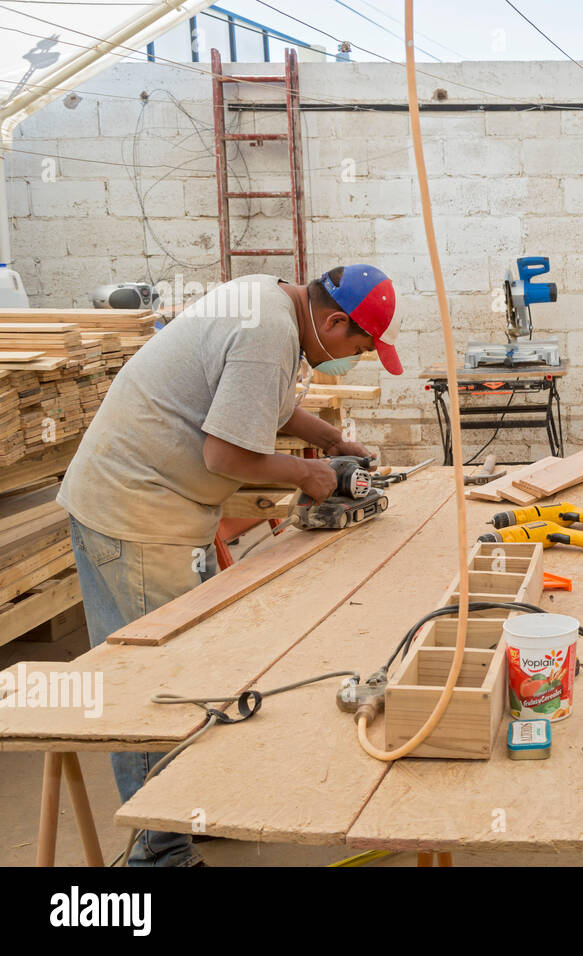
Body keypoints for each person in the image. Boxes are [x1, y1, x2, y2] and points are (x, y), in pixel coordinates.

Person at [57, 264, 405, 864]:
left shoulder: (269, 302)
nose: (361, 358)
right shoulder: (267, 335)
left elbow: (262, 407)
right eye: (360, 346)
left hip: (136, 506)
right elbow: (225, 453)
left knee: (189, 668)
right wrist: (305, 473)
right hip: (136, 518)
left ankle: (186, 807)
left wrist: (332, 442)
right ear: (333, 321)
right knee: (157, 690)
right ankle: (158, 856)